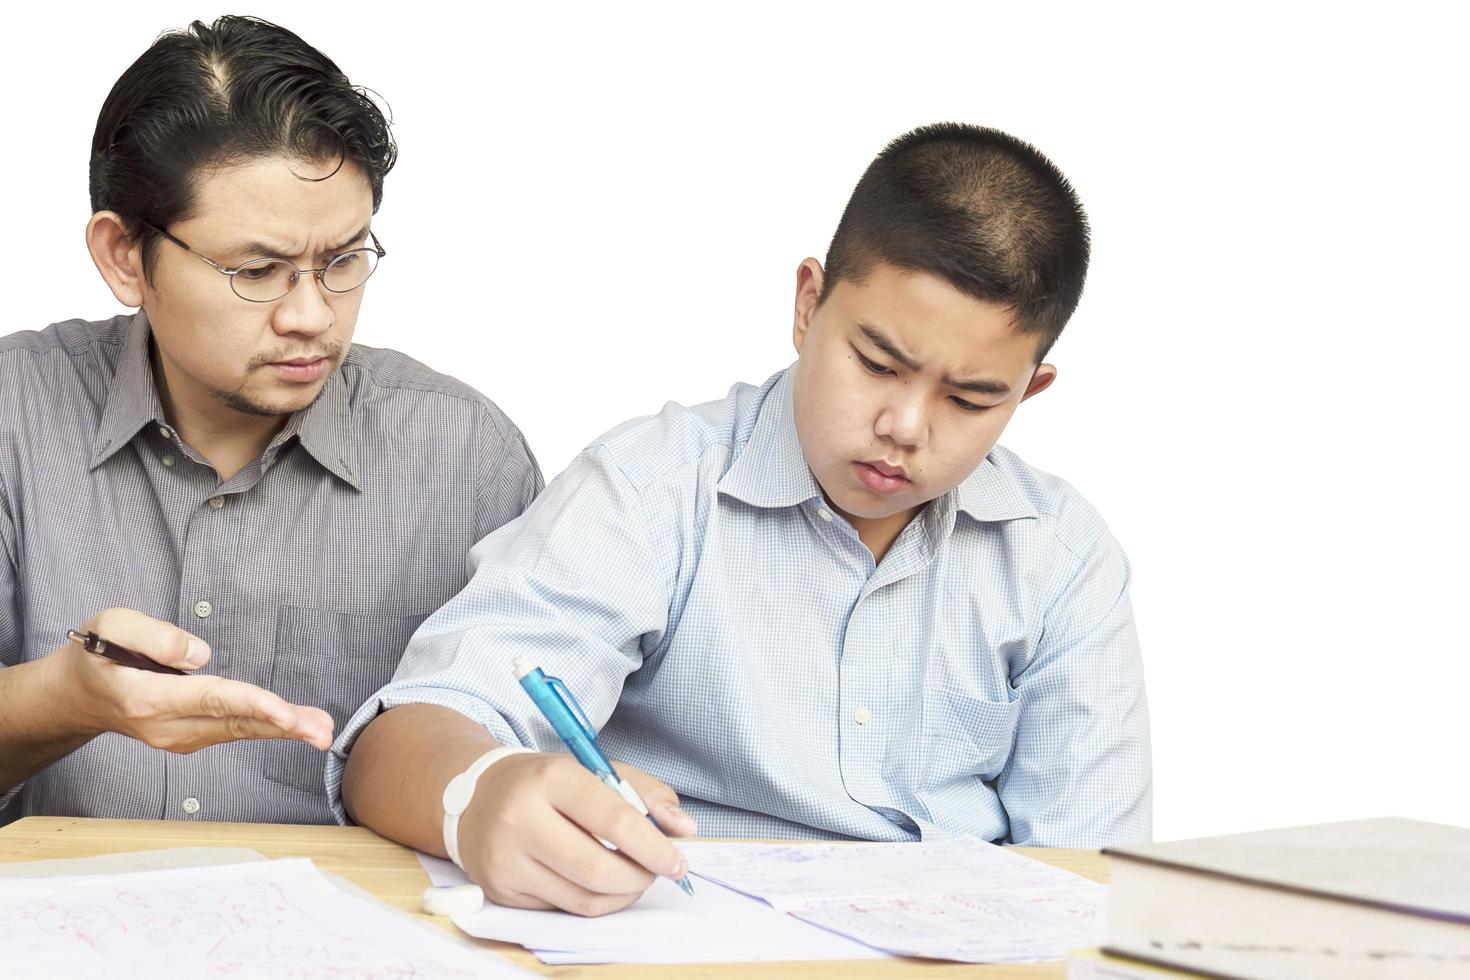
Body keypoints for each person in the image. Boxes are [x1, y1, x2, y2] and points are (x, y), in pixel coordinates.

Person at [337, 123, 1150, 915]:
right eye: (876, 363)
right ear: (808, 304)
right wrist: (483, 793)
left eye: (971, 398)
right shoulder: (653, 488)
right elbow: (407, 734)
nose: (906, 425)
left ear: (1028, 390)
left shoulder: (1061, 558)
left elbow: (1089, 877)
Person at [0, 16, 540, 826]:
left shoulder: (464, 456)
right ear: (122, 257)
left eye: (345, 260)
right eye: (257, 270)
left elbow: (521, 754)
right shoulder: (13, 414)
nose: (312, 315)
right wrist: (63, 700)